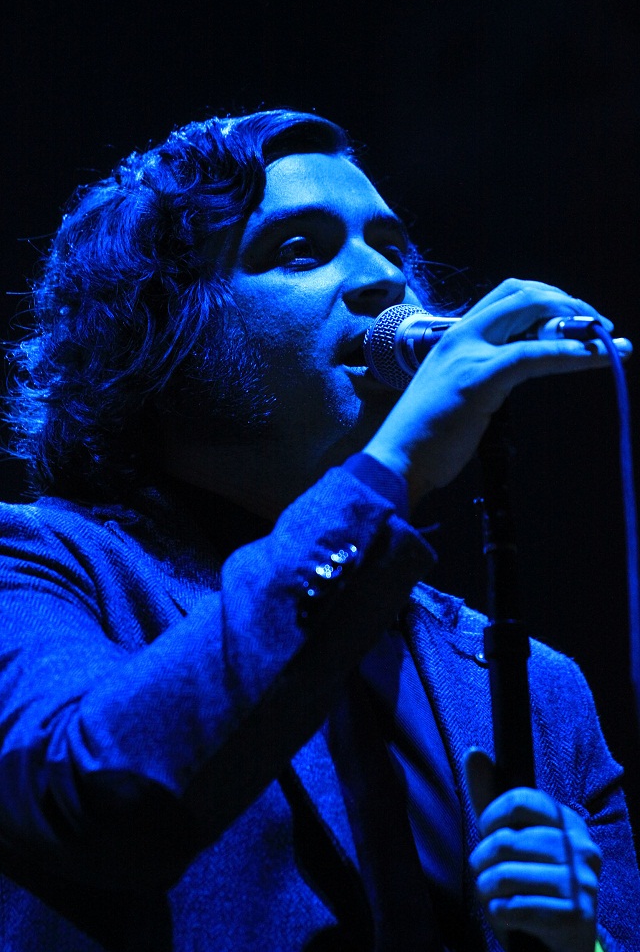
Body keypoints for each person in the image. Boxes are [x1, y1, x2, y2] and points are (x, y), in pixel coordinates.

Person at [0, 109, 637, 952]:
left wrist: (582, 945)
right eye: (300, 250)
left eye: (393, 247)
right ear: (158, 328)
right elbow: (97, 801)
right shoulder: (40, 567)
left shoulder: (540, 689)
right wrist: (392, 466)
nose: (384, 279)